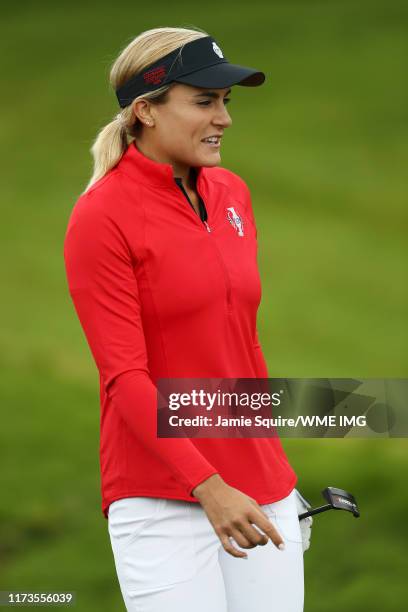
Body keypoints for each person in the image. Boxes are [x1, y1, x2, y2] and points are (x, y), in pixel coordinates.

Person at [63, 26, 311, 612]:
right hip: (161, 500)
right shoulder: (102, 217)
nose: (224, 118)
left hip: (260, 485)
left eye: (226, 102)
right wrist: (209, 485)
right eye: (204, 101)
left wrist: (274, 468)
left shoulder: (231, 194)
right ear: (145, 110)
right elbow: (124, 377)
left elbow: (238, 350)